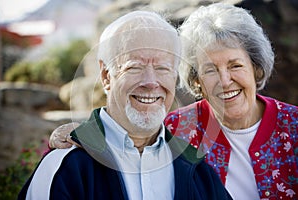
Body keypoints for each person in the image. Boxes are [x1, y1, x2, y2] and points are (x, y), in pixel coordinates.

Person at [48, 3, 298, 200]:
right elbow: (130, 129)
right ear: (196, 80)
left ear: (256, 68)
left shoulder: (294, 126)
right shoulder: (178, 127)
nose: (225, 80)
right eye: (210, 70)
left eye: (235, 65)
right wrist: (85, 134)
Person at [18, 10, 232, 200]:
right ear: (106, 76)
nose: (150, 82)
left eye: (163, 68)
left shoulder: (198, 170)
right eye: (134, 67)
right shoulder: (65, 168)